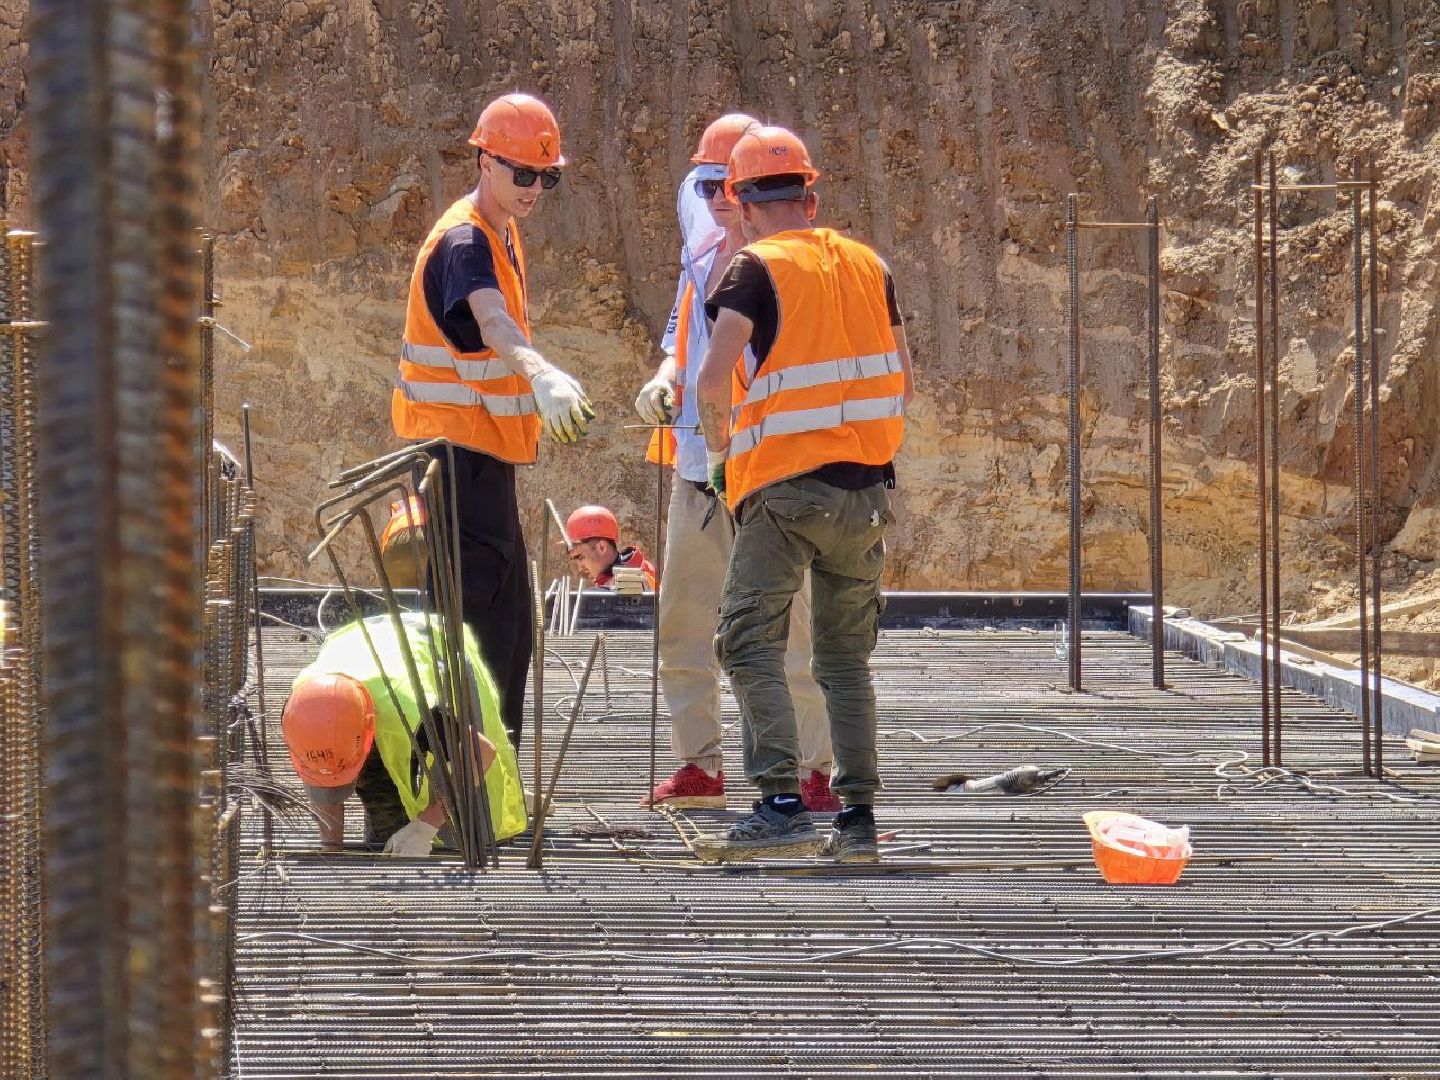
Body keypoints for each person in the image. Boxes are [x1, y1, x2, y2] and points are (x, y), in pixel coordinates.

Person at [693, 125, 913, 863]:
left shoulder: (754, 267)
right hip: (868, 494)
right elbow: (905, 380)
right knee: (845, 661)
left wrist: (721, 456)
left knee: (747, 639)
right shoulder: (870, 265)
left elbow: (712, 380)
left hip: (786, 494)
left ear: (741, 203)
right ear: (810, 199)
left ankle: (781, 804)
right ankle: (858, 821)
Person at [633, 113, 840, 814]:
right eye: (708, 186)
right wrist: (665, 378)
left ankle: (814, 771)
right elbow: (682, 338)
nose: (718, 198)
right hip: (701, 469)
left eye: (729, 186)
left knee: (792, 628)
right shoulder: (701, 253)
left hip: (770, 477)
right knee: (685, 624)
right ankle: (700, 765)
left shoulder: (789, 267)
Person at [391, 92, 593, 749]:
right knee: (475, 632)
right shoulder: (465, 241)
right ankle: (457, 782)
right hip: (454, 463)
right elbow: (491, 319)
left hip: (481, 460)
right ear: (485, 161)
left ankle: (487, 775)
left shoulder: (500, 232)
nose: (534, 188)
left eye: (547, 177)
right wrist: (540, 373)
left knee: (505, 633)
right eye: (523, 173)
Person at [282, 612, 528, 855]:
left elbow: (481, 752)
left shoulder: (417, 711)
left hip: (433, 647)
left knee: (459, 823)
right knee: (386, 832)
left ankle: (449, 838)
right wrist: (331, 851)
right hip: (357, 649)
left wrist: (426, 825)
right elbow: (323, 774)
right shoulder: (302, 710)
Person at [564, 505, 658, 591]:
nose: (580, 568)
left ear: (601, 547)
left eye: (581, 557)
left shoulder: (636, 577)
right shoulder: (609, 578)